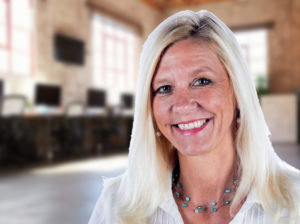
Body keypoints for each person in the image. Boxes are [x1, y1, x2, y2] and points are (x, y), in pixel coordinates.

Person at [89, 10, 300, 224]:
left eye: (201, 81)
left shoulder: (296, 200)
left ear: (238, 92)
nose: (182, 104)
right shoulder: (116, 204)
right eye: (164, 88)